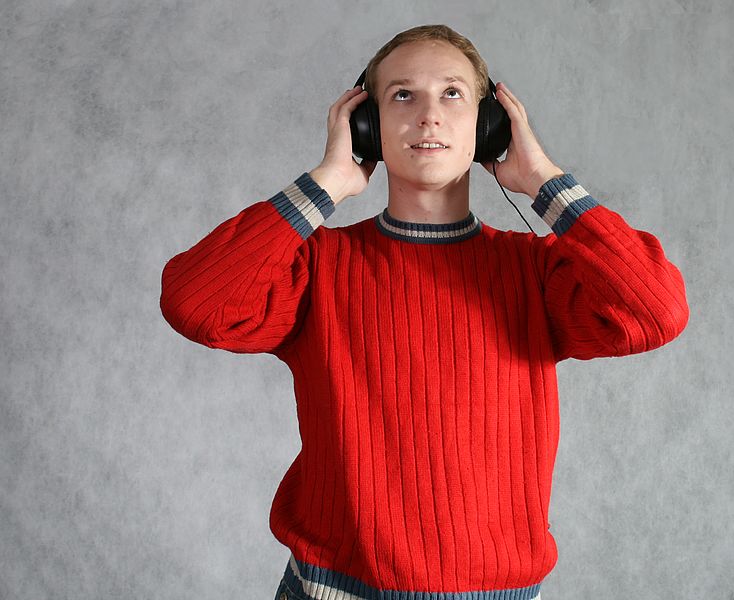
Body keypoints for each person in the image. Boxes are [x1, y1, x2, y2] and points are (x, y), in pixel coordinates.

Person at [160, 23, 689, 600]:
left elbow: (657, 310)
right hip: (330, 591)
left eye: (453, 93)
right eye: (402, 95)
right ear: (366, 124)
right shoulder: (319, 266)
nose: (428, 115)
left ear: (489, 127)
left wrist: (543, 180)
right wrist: (327, 183)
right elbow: (195, 303)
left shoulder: (536, 272)